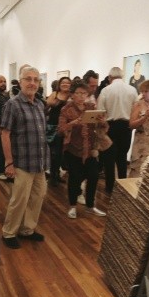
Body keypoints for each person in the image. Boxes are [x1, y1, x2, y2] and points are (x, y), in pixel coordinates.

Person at [0, 65, 49, 249]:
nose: (32, 83)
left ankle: (27, 229)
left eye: (36, 80)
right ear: (20, 82)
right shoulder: (12, 105)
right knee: (19, 200)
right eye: (28, 79)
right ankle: (9, 232)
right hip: (22, 162)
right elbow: (5, 134)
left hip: (40, 162)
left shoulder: (40, 104)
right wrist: (9, 162)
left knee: (37, 197)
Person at [58, 79, 108, 219]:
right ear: (72, 94)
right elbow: (60, 130)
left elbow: (102, 127)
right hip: (73, 149)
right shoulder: (66, 109)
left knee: (93, 176)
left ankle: (90, 206)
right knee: (74, 178)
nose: (81, 96)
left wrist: (102, 122)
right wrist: (73, 123)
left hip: (90, 149)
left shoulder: (91, 107)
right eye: (78, 93)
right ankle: (72, 206)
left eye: (84, 93)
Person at [97, 67, 137, 194]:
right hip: (126, 127)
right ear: (122, 76)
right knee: (122, 157)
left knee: (109, 159)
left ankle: (109, 187)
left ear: (110, 77)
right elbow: (136, 109)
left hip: (110, 126)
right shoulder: (132, 90)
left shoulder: (105, 90)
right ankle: (123, 186)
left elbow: (100, 111)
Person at [45, 76, 71, 186]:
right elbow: (46, 107)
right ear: (59, 84)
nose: (65, 84)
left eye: (67, 83)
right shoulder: (55, 94)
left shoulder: (71, 95)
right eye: (63, 83)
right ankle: (53, 176)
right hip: (53, 126)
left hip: (65, 127)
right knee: (54, 153)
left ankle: (57, 174)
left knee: (61, 153)